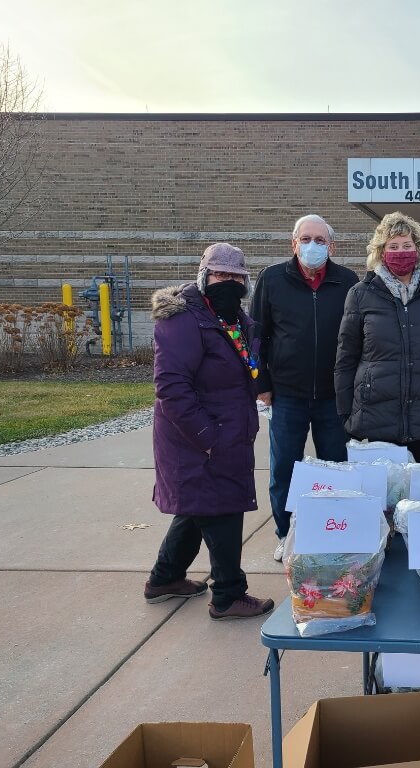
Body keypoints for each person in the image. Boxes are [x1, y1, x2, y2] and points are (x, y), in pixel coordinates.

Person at [145, 243, 274, 621]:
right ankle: (228, 595)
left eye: (236, 277)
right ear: (204, 276)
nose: (229, 282)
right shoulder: (183, 319)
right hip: (197, 439)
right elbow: (171, 387)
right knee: (222, 509)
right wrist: (207, 439)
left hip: (227, 432)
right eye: (221, 275)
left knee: (196, 507)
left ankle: (164, 578)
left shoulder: (235, 319)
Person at [250, 214, 359, 562]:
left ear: (332, 245)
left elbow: (358, 339)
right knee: (284, 469)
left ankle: (335, 532)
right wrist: (262, 384)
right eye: (306, 239)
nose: (313, 246)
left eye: (321, 240)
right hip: (287, 395)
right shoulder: (272, 279)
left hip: (333, 397)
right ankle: (286, 534)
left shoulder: (347, 282)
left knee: (337, 470)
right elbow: (256, 337)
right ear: (293, 243)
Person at [335, 211, 420, 466]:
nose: (401, 251)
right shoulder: (361, 294)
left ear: (418, 248)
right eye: (393, 246)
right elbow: (346, 358)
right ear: (381, 251)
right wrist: (346, 411)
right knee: (385, 496)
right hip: (378, 414)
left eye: (407, 245)